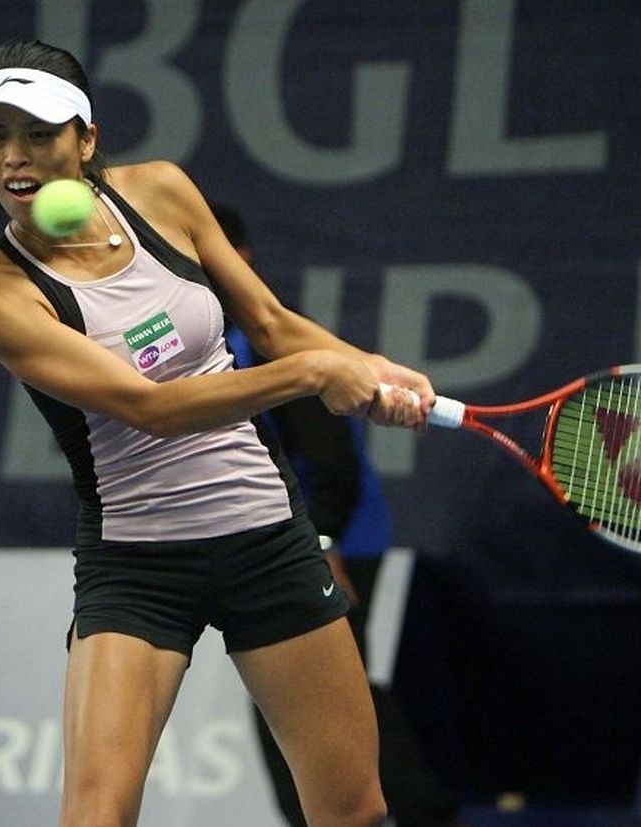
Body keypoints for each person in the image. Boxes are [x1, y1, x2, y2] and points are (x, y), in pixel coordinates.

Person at [0, 40, 436, 827]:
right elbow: (152, 408)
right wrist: (315, 374)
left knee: (353, 810)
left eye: (39, 134)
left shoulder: (163, 193)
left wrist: (370, 366)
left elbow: (270, 321)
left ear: (86, 139)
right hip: (136, 566)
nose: (15, 157)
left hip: (265, 538)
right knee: (95, 817)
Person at [214, 205, 465, 827]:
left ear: (239, 260)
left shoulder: (273, 349)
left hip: (335, 545)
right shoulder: (211, 349)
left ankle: (425, 817)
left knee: (327, 704)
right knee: (298, 706)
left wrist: (322, 547)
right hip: (285, 544)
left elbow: (333, 467)